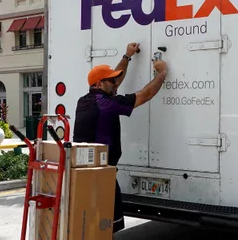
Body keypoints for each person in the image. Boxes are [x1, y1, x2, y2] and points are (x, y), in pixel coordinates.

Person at [72, 42, 168, 234]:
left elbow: (114, 84)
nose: (115, 83)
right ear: (99, 84)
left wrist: (127, 57)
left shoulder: (85, 100)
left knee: (90, 224)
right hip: (101, 175)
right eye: (111, 81)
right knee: (105, 226)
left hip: (87, 173)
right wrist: (162, 73)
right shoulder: (106, 104)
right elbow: (146, 94)